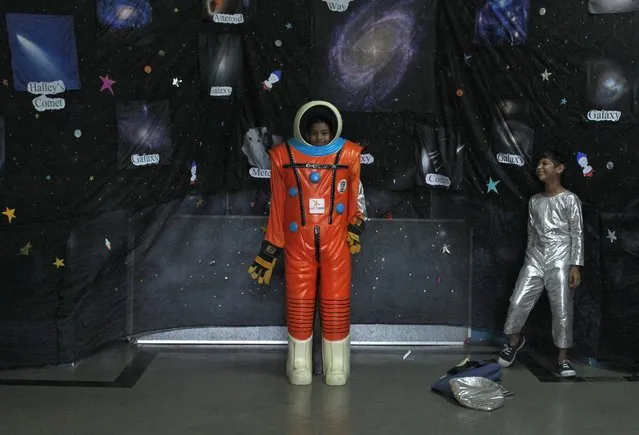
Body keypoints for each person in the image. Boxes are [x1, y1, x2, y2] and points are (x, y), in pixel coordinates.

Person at [248, 101, 366, 386]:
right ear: (305, 131)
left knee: (336, 304)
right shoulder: (282, 156)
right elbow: (277, 206)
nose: (320, 138)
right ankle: (298, 363)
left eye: (324, 133)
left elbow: (356, 196)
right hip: (298, 246)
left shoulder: (349, 154)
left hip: (336, 245)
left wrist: (355, 225)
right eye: (315, 133)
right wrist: (270, 249)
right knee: (299, 305)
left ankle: (337, 364)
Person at [497, 150, 584, 378]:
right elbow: (531, 234)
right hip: (535, 258)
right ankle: (514, 341)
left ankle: (563, 358)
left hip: (561, 258)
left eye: (545, 163)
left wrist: (575, 265)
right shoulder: (535, 201)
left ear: (559, 168)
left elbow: (577, 233)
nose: (539, 168)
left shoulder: (570, 199)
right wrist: (529, 262)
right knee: (517, 301)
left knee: (562, 309)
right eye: (538, 164)